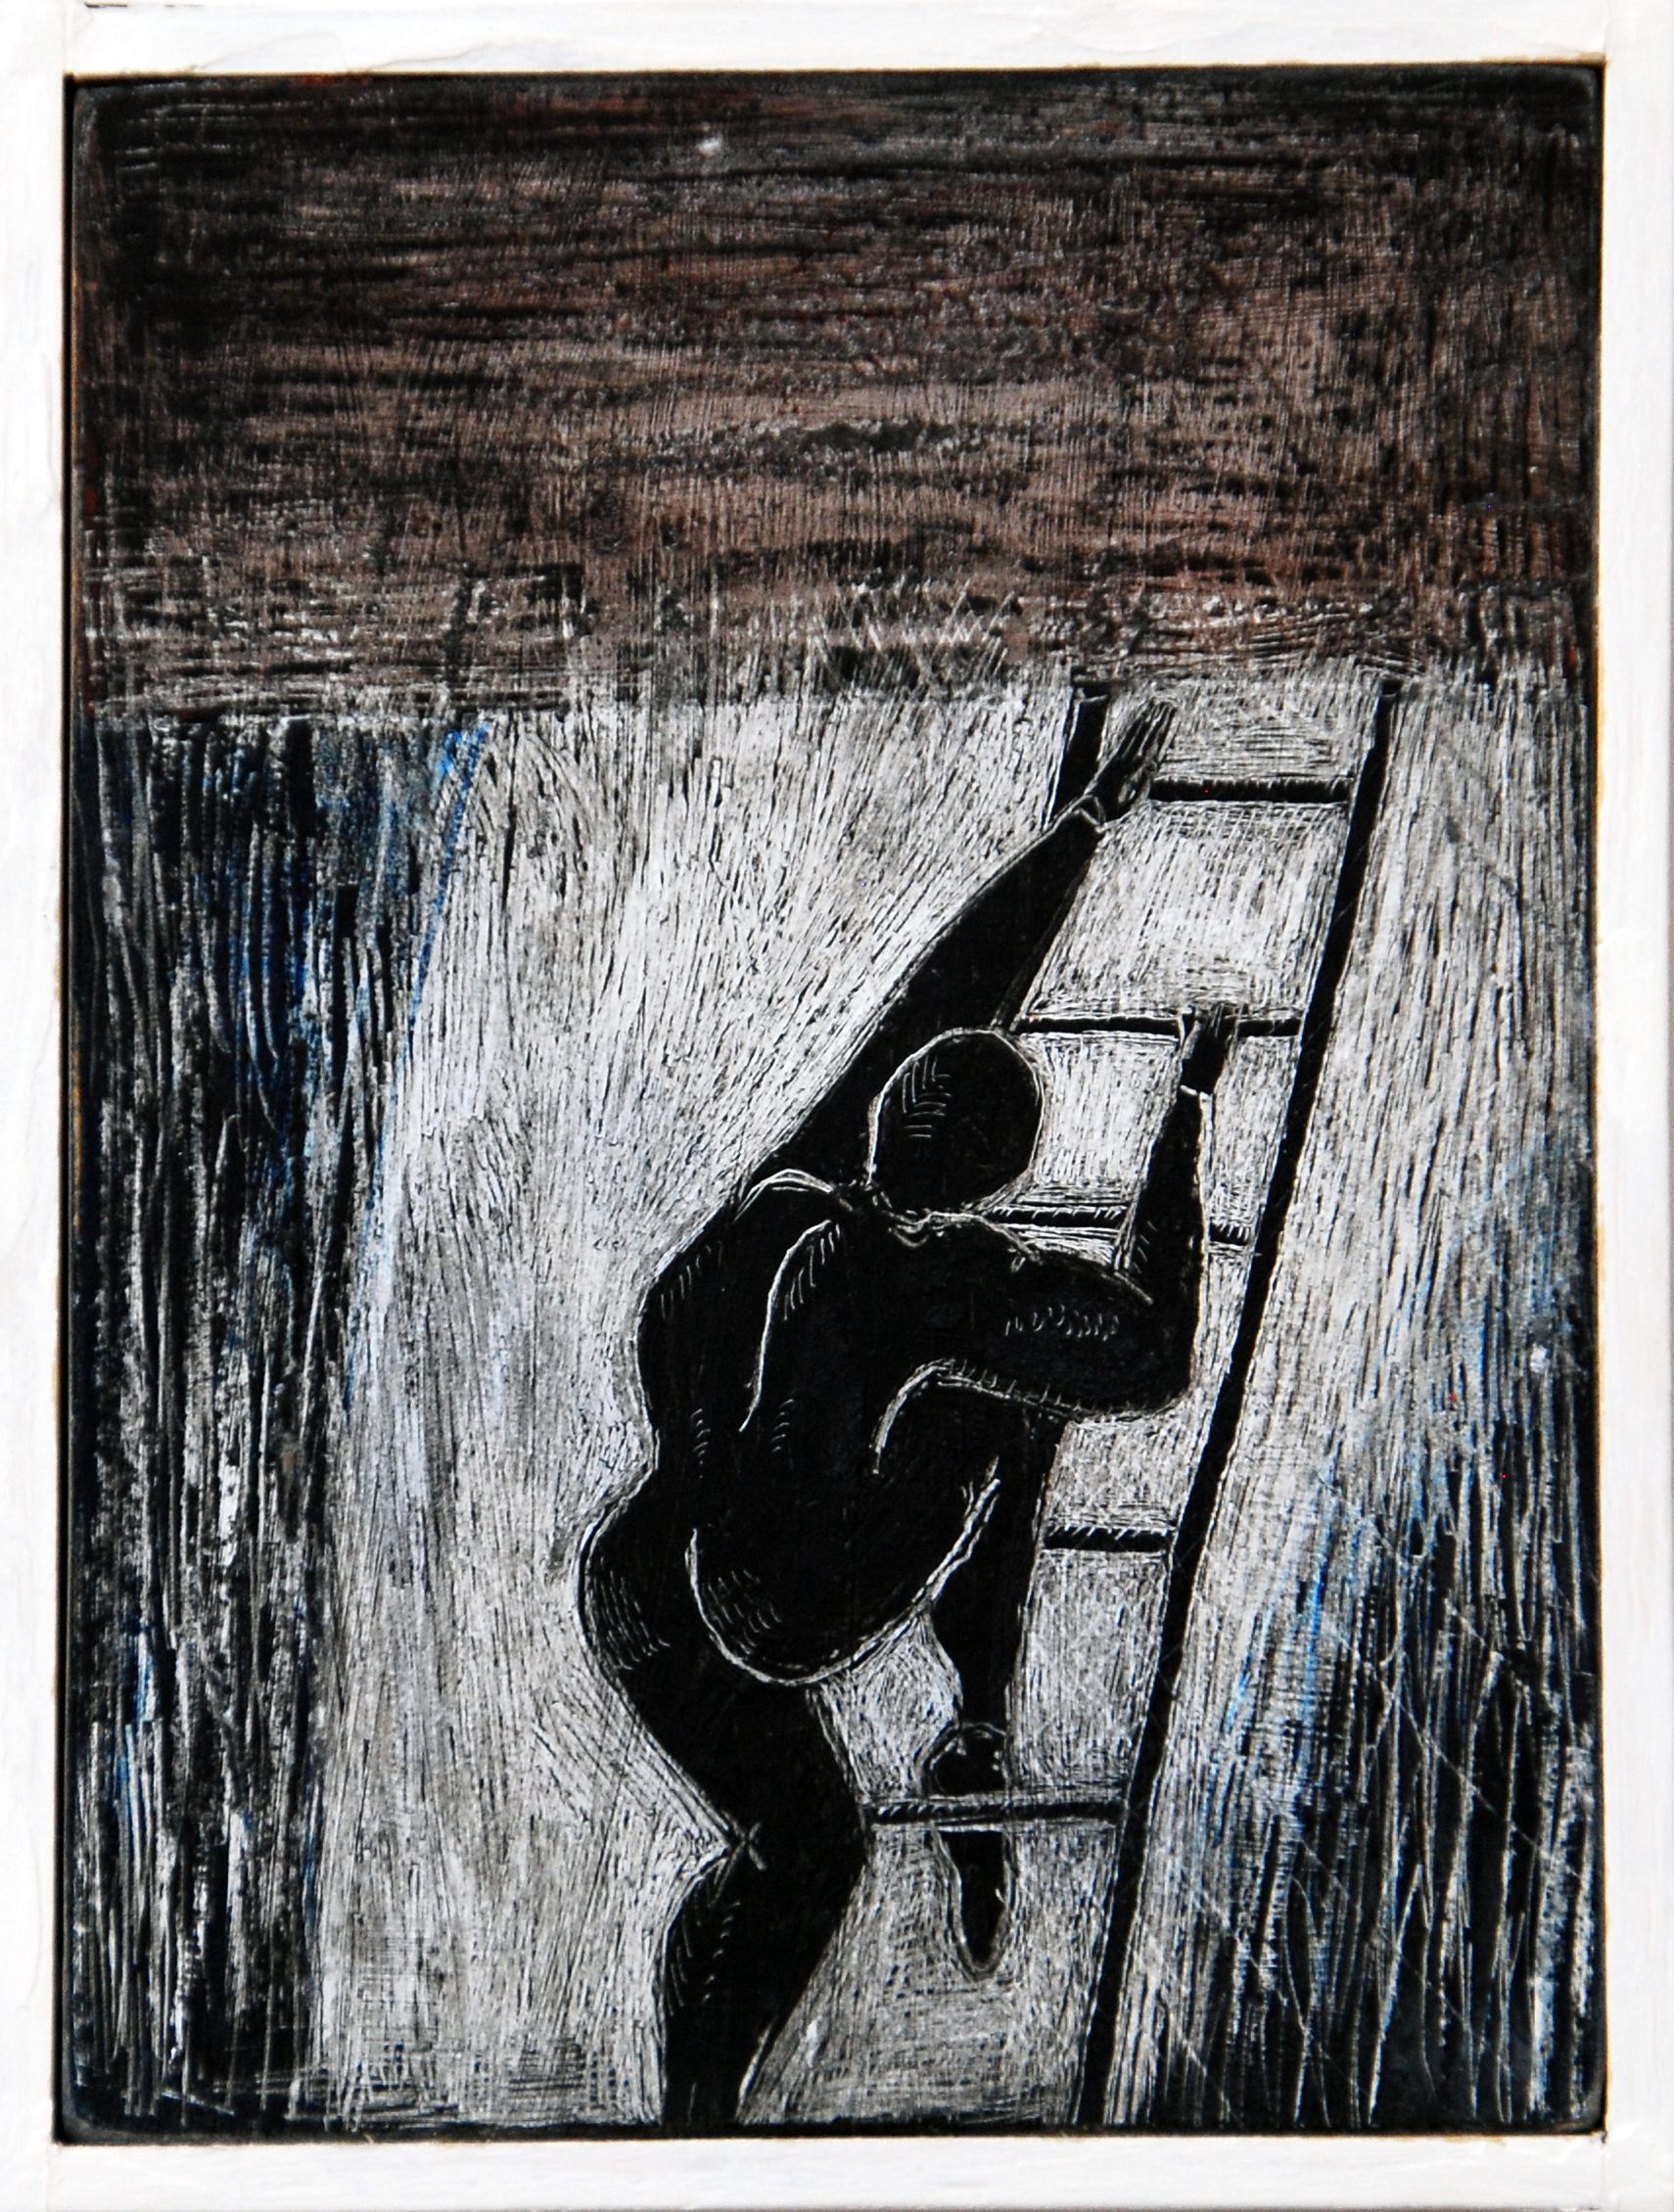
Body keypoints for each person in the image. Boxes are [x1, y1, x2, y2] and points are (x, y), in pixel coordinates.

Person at [580, 697, 1233, 2126]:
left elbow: (952, 993)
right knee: (1003, 1419)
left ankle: (692, 2113)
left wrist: (1081, 832)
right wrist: (1183, 1108)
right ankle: (978, 1720)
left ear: (889, 1117)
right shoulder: (958, 1287)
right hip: (774, 1612)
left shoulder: (795, 1189)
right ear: (987, 1184)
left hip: (644, 1585)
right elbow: (1155, 1352)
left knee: (803, 1847)